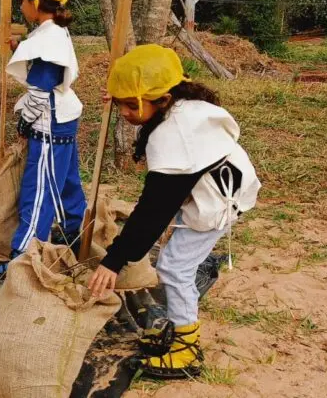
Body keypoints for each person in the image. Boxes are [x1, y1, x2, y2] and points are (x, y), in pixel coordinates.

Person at [87, 44, 261, 379]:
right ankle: (182, 332)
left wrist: (114, 260)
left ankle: (186, 351)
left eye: (130, 103)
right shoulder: (181, 102)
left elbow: (153, 211)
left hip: (217, 201)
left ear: (162, 99)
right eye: (121, 102)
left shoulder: (175, 137)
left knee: (175, 268)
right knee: (175, 261)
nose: (123, 111)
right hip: (217, 185)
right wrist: (126, 97)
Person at [0, 0, 87, 278]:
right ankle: (73, 234)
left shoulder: (49, 38)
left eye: (22, 0)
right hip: (64, 119)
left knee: (39, 189)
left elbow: (41, 91)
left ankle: (22, 257)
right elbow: (44, 67)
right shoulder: (53, 31)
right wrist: (22, 50)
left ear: (37, 0)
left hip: (49, 121)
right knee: (67, 181)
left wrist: (25, 124)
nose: (20, 7)